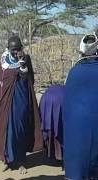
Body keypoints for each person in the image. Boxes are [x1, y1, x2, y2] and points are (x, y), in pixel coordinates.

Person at [0, 36, 42, 174]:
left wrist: (23, 65)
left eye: (19, 49)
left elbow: (29, 80)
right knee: (6, 130)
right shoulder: (2, 61)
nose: (16, 52)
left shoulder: (26, 59)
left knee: (19, 129)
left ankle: (20, 161)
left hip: (20, 100)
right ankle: (8, 159)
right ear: (8, 49)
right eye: (13, 50)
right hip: (4, 102)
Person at [64, 34, 98, 180]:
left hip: (75, 129)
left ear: (81, 52)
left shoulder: (73, 72)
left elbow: (67, 105)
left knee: (78, 161)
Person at [39, 84, 64, 163]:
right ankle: (60, 155)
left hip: (46, 100)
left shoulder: (47, 93)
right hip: (59, 101)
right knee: (60, 128)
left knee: (50, 128)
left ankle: (52, 154)